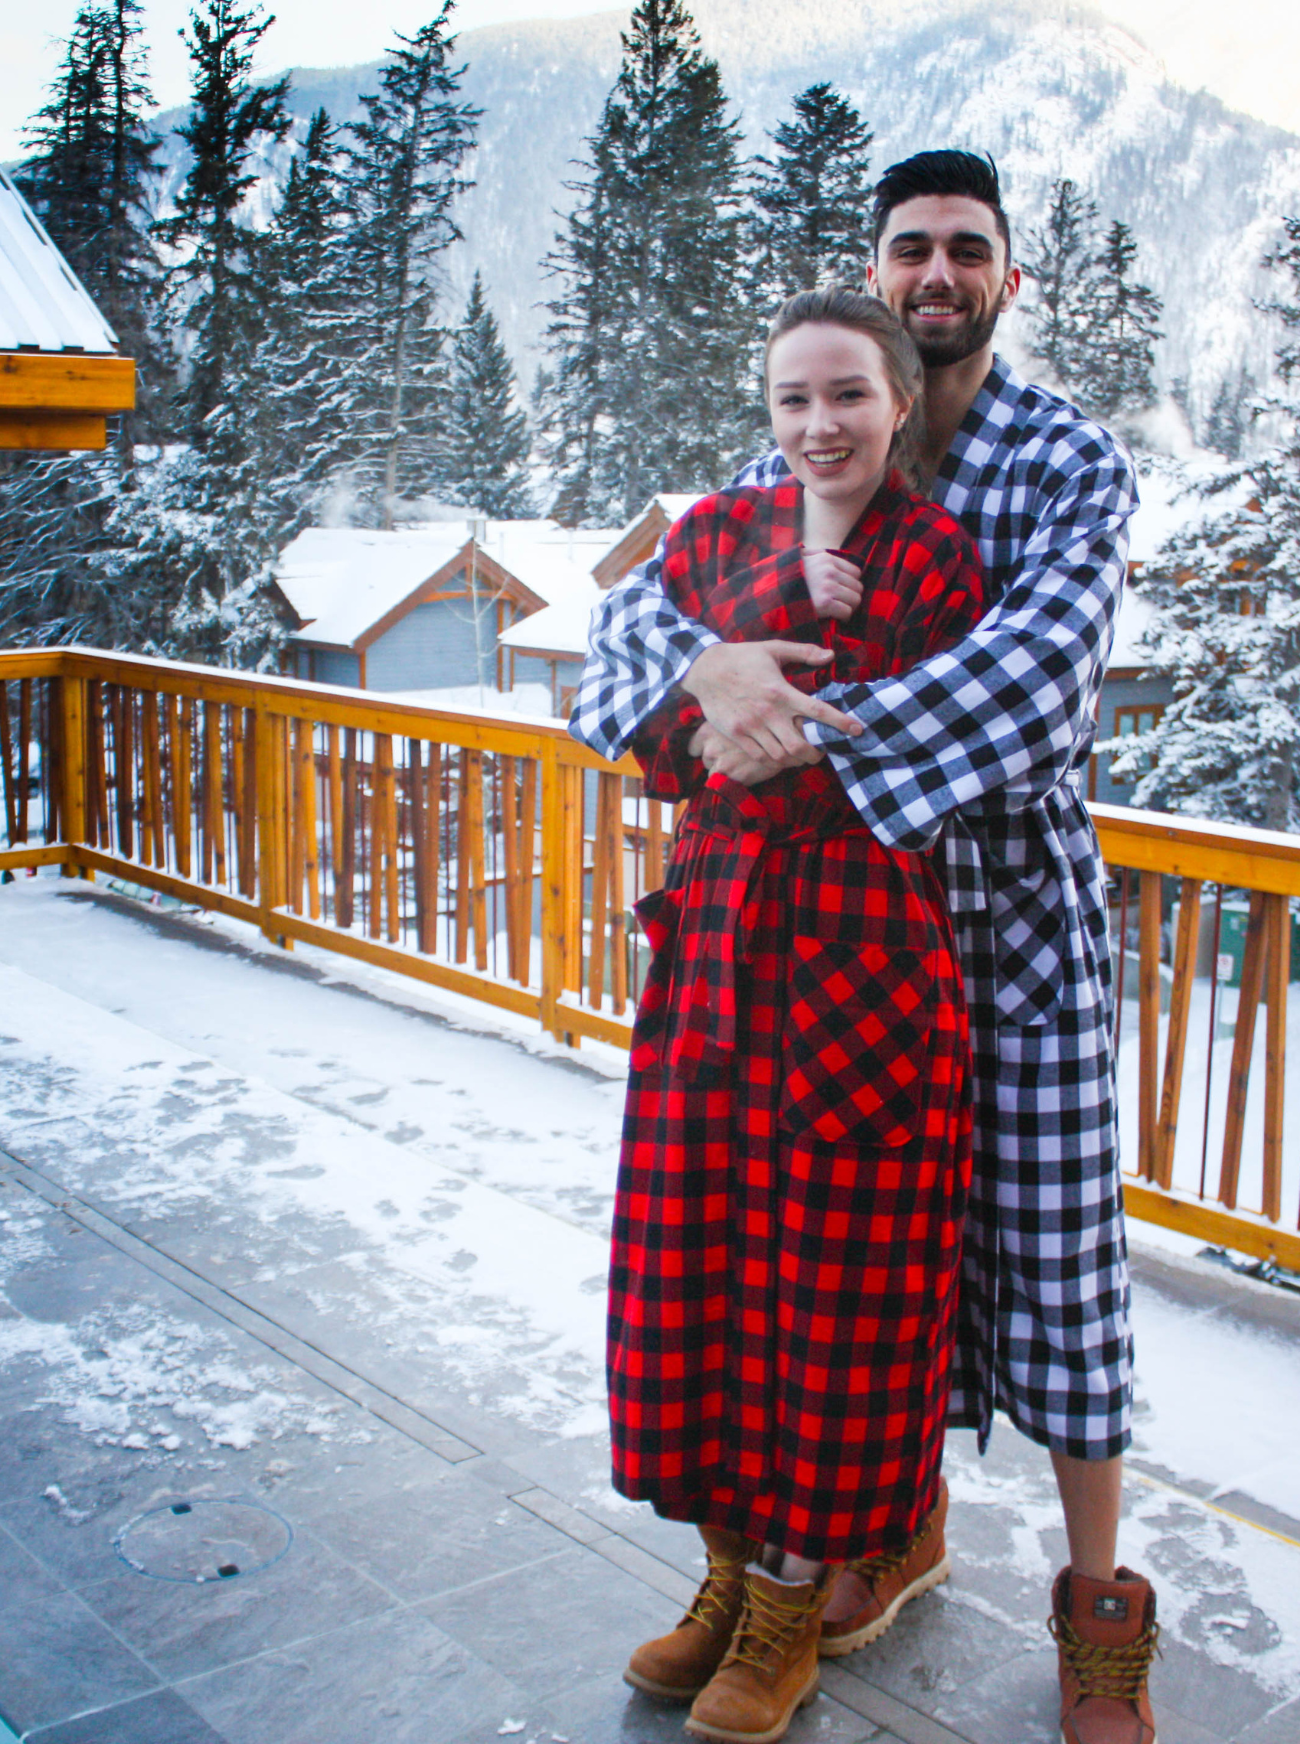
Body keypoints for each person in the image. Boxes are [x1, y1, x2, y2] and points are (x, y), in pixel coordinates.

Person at [571, 151, 1160, 1744]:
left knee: (1051, 1268)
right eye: (910, 248)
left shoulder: (1065, 463)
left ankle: (1099, 1605)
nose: (938, 272)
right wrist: (708, 662)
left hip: (1007, 929)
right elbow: (626, 628)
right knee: (839, 1263)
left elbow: (1038, 685)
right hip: (812, 948)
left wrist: (768, 725)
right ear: (876, 277)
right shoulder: (809, 428)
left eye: (969, 249)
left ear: (1006, 281)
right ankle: (880, 1539)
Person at [611, 286, 983, 1744]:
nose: (819, 426)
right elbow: (647, 733)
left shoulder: (943, 564)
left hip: (862, 968)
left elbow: (887, 759)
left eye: (847, 396)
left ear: (898, 404)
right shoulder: (711, 537)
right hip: (714, 955)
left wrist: (730, 715)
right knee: (697, 1260)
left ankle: (791, 1604)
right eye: (791, 400)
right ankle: (718, 1576)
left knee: (837, 1294)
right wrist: (733, 673)